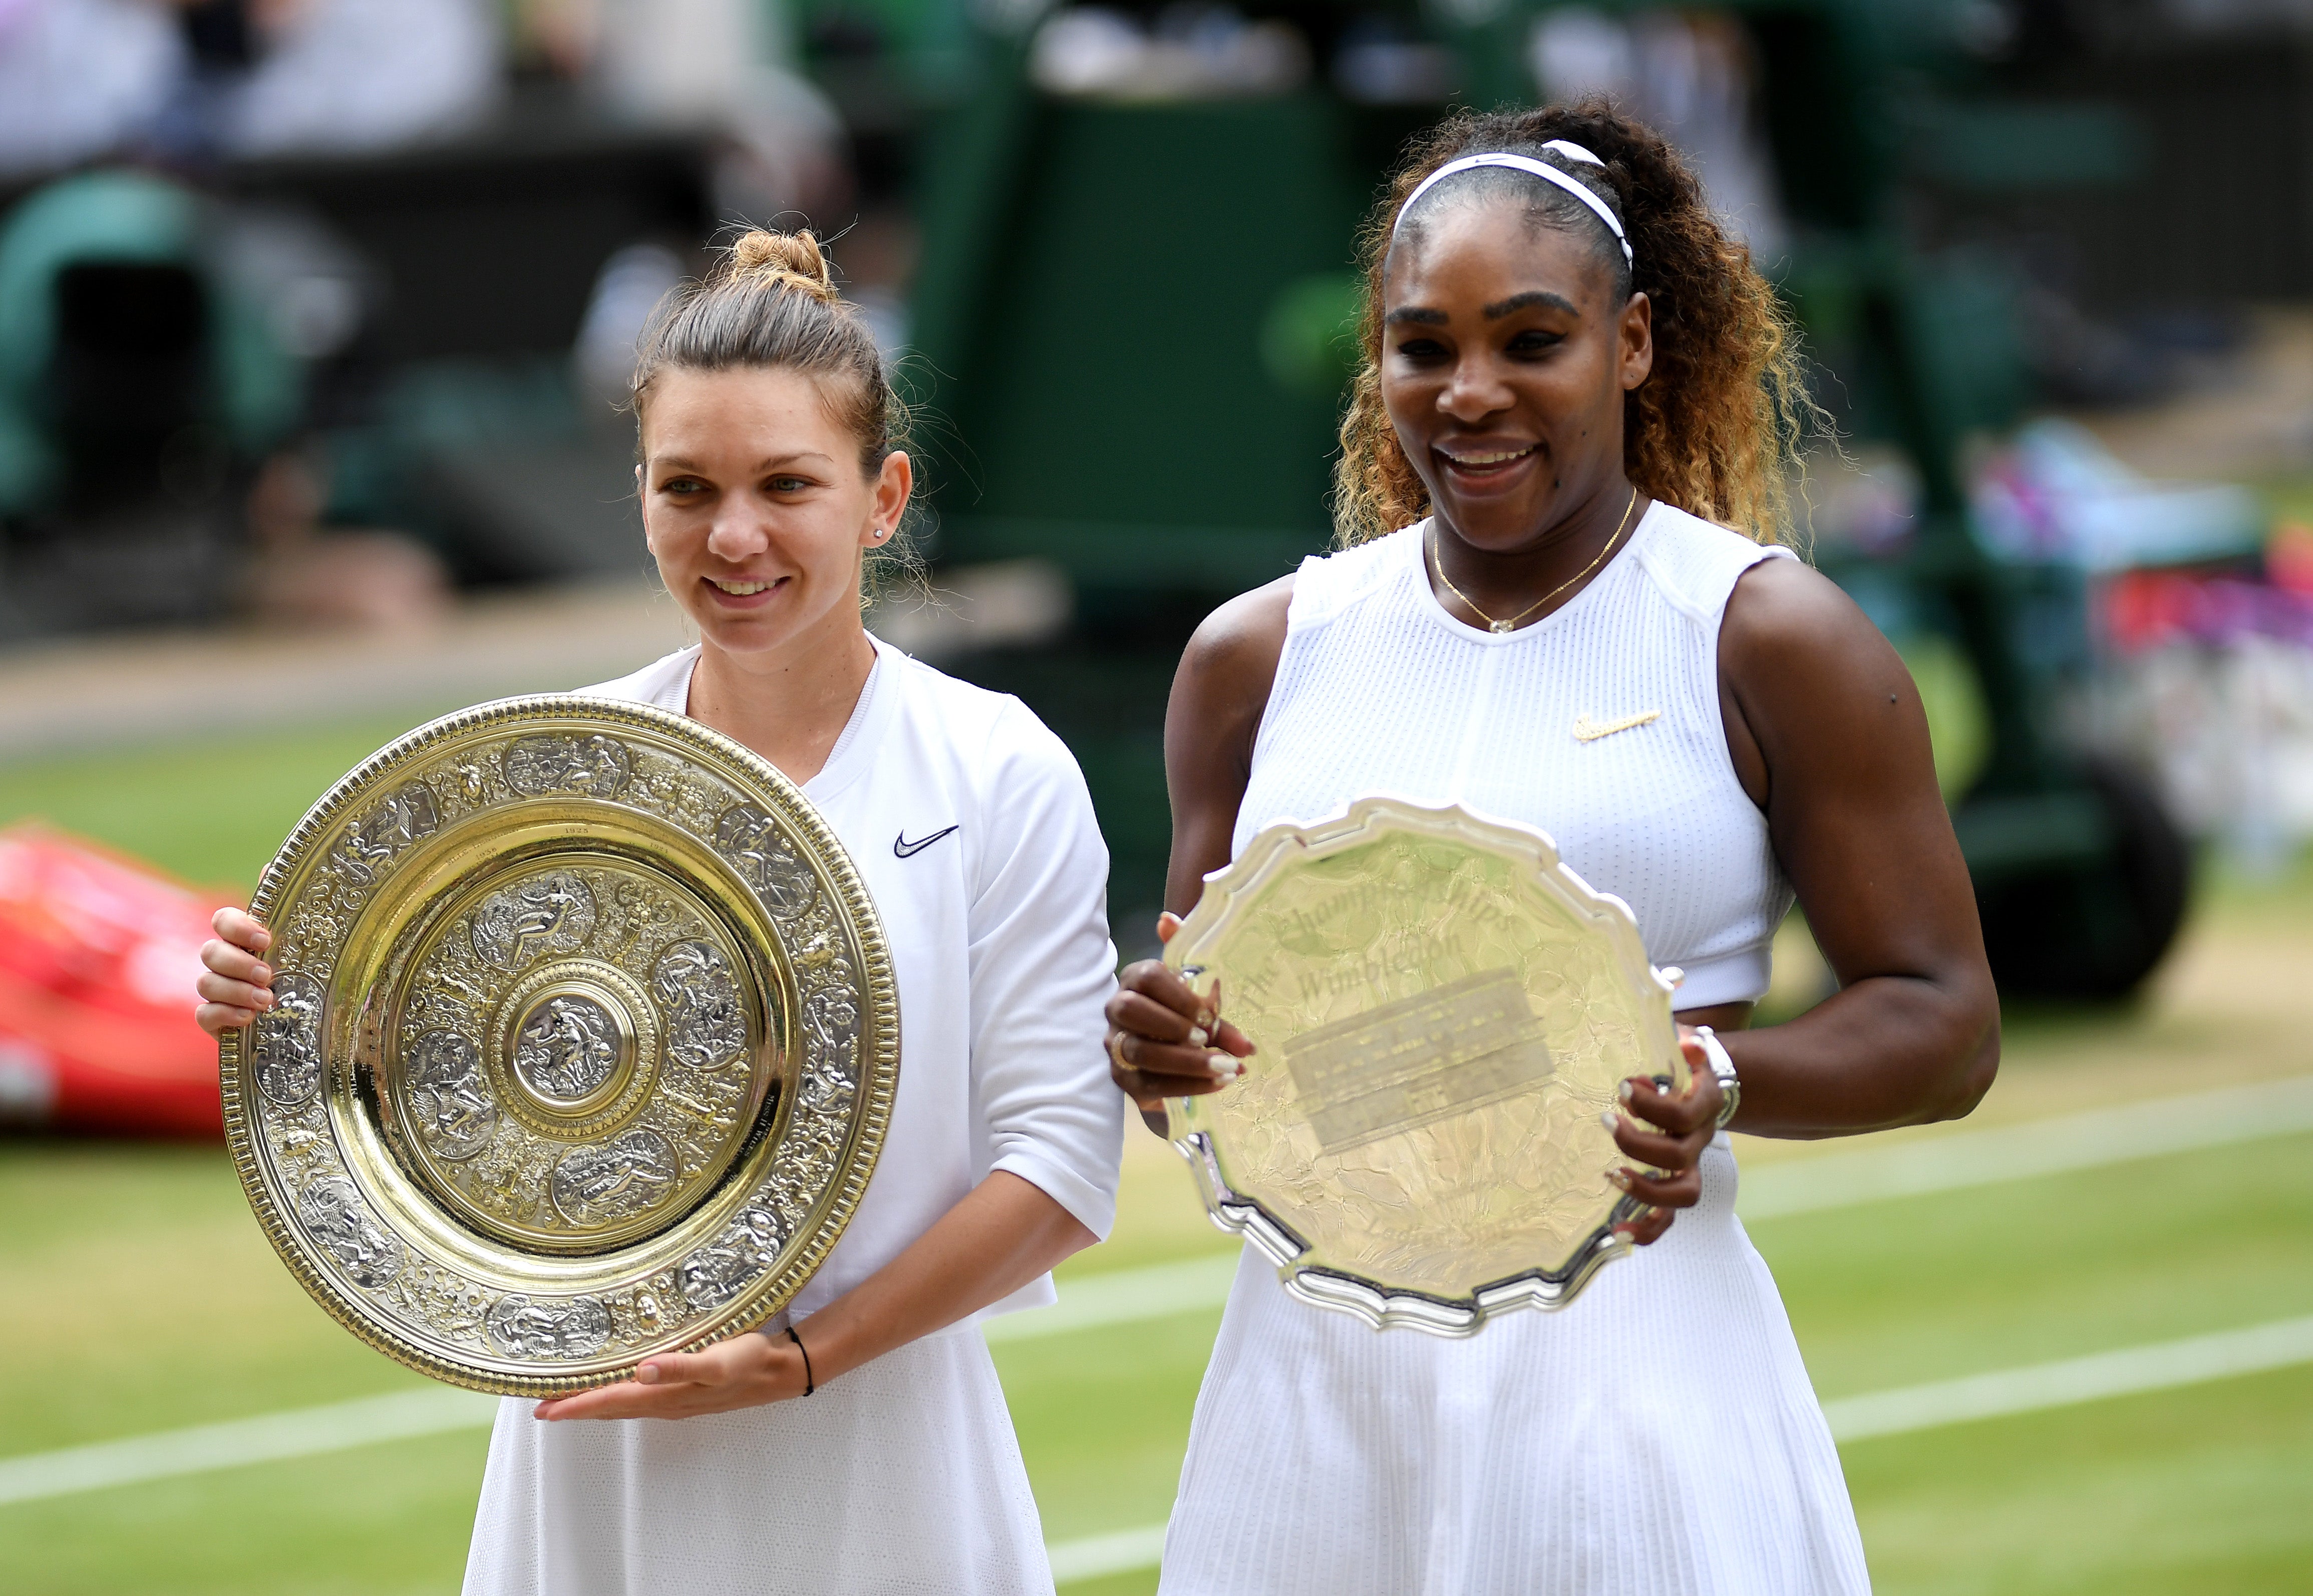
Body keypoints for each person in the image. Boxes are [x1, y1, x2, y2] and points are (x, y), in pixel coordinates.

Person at [1102, 101, 2001, 1594]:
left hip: (1636, 1385)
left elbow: (1946, 1024)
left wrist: (1717, 1079)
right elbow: (1222, 1059)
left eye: (1531, 342)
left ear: (1634, 343)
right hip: (1314, 1400)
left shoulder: (1767, 634)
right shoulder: (1256, 658)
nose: (1470, 394)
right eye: (1423, 346)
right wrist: (1157, 1048)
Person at [197, 229, 1127, 1595]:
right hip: (592, 1457)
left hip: (881, 1451)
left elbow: (1061, 1165)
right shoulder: (538, 776)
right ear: (637, 495)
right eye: (687, 487)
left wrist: (808, 1360)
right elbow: (427, 1081)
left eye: (786, 486)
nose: (733, 536)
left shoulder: (997, 770)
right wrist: (283, 998)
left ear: (883, 499)